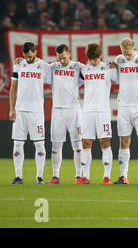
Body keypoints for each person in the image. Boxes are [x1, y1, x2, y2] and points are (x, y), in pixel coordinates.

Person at [9, 42, 52, 184]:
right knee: (17, 144)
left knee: (39, 145)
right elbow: (13, 88)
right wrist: (12, 109)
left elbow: (57, 81)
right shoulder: (18, 65)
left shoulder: (44, 66)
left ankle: (39, 176)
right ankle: (18, 176)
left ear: (35, 51)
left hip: (37, 111)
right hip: (20, 110)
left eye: (30, 56)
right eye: (25, 56)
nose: (28, 58)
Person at [112, 38, 138, 185]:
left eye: (129, 54)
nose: (127, 57)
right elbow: (115, 77)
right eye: (124, 53)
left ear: (134, 48)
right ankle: (123, 176)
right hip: (123, 106)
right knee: (124, 141)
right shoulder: (119, 59)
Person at [79, 43, 119, 185]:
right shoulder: (83, 69)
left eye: (96, 59)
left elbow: (121, 78)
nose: (94, 61)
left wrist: (117, 64)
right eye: (91, 59)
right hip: (87, 111)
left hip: (103, 110)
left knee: (105, 141)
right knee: (86, 142)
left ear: (101, 56)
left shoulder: (109, 68)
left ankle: (106, 176)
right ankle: (86, 176)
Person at [46, 44, 84, 184]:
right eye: (59, 58)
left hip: (73, 109)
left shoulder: (78, 67)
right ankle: (55, 176)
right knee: (56, 144)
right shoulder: (53, 67)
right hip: (57, 110)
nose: (61, 61)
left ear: (69, 54)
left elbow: (92, 72)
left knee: (77, 144)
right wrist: (22, 62)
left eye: (64, 58)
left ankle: (78, 176)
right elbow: (36, 66)